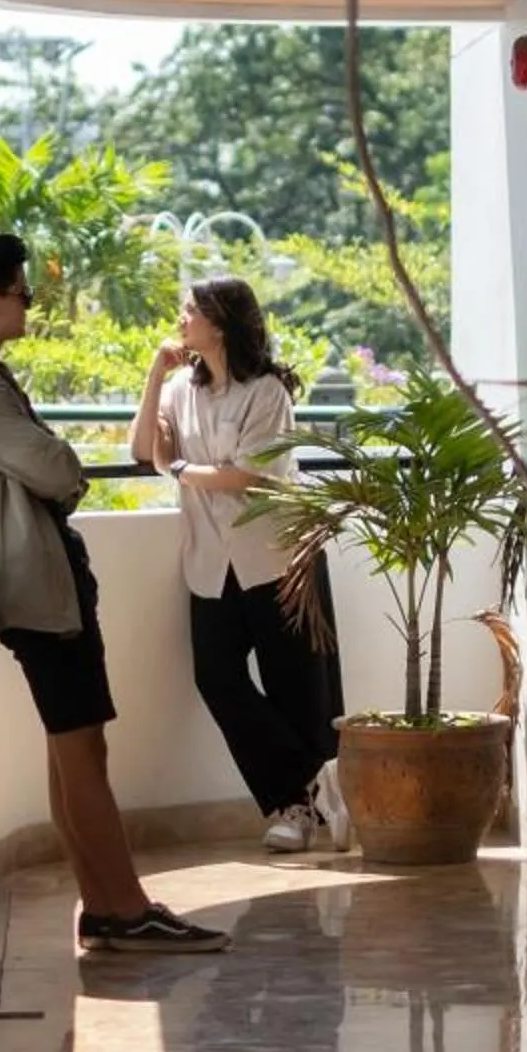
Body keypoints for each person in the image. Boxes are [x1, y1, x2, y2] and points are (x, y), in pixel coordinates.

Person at [0, 233, 231, 955]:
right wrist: (60, 466)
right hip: (37, 593)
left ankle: (104, 906)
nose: (30, 304)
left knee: (75, 750)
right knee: (82, 751)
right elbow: (58, 471)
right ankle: (124, 909)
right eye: (22, 293)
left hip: (41, 583)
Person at [132, 276, 348, 853]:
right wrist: (153, 376)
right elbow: (142, 449)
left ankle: (294, 812)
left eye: (191, 310)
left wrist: (179, 470)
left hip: (277, 554)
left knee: (296, 687)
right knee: (217, 677)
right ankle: (310, 782)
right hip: (210, 561)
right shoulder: (180, 388)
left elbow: (246, 476)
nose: (182, 318)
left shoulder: (267, 393)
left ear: (221, 323)